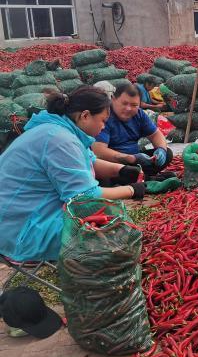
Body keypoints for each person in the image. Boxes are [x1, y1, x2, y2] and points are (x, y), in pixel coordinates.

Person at [0, 87, 145, 263]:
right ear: (85, 116)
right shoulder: (59, 139)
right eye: (102, 121)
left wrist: (120, 170)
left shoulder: (59, 130)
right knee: (114, 236)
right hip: (21, 231)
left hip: (23, 216)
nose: (103, 126)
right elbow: (85, 198)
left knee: (107, 221)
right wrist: (131, 190)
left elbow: (89, 162)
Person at [92, 83, 173, 179]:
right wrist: (131, 158)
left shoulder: (139, 114)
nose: (128, 109)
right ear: (113, 99)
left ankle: (142, 177)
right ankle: (145, 178)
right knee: (113, 174)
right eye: (124, 103)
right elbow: (99, 151)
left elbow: (155, 134)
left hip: (136, 161)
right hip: (113, 163)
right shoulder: (104, 116)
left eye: (134, 105)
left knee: (167, 153)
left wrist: (161, 150)